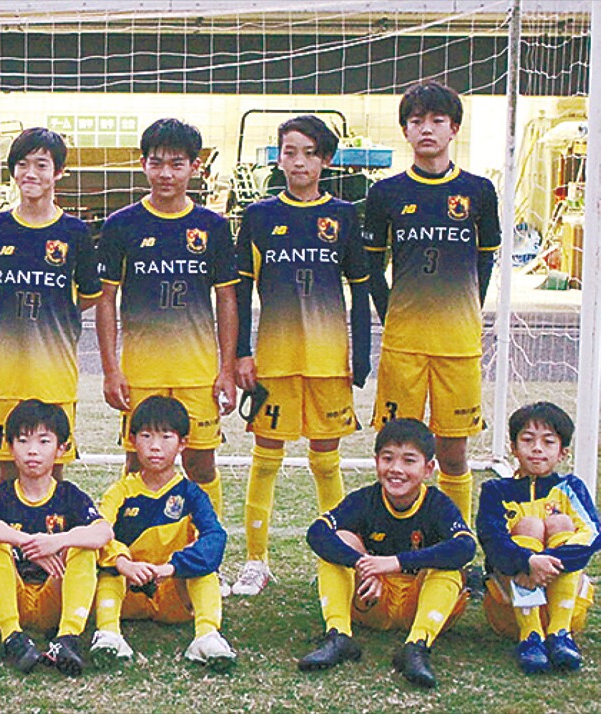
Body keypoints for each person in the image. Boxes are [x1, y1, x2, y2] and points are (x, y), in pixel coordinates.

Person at [230, 115, 372, 597]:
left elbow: (360, 289)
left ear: (325, 160)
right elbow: (241, 290)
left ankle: (336, 558)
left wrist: (360, 355)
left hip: (328, 360)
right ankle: (256, 561)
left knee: (326, 461)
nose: (298, 162)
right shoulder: (259, 215)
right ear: (279, 157)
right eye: (289, 152)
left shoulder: (345, 215)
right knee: (265, 459)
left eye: (309, 153)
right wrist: (242, 353)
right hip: (275, 359)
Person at [363, 81, 501, 524]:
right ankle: (393, 534)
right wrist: (392, 316)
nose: (427, 129)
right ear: (405, 130)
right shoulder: (385, 193)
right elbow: (371, 269)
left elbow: (485, 261)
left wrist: (467, 309)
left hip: (458, 344)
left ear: (453, 128)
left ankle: (456, 539)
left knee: (453, 452)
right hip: (403, 343)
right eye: (417, 120)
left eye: (437, 120)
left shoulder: (479, 191)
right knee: (396, 452)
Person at [96, 118, 237, 526]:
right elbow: (106, 300)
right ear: (142, 164)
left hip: (197, 372)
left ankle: (207, 547)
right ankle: (130, 547)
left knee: (201, 465)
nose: (166, 174)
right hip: (141, 372)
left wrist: (226, 369)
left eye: (177, 164)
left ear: (195, 166)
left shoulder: (212, 227)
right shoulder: (121, 224)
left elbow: (227, 299)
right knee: (137, 464)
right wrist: (111, 369)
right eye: (156, 163)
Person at [298, 418, 474, 689]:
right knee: (340, 541)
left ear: (428, 469)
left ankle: (417, 645)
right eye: (388, 458)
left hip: (420, 604)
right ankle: (338, 635)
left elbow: (466, 547)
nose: (396, 469)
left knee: (449, 565)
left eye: (409, 461)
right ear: (376, 461)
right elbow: (317, 533)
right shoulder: (365, 499)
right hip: (374, 599)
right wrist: (363, 564)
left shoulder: (438, 504)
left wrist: (394, 563)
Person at [0, 127, 101, 481]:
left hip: (54, 374)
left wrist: (58, 316)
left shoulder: (75, 232)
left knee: (52, 473)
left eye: (41, 165)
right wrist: (4, 316)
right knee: (7, 471)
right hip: (7, 373)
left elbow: (91, 293)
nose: (30, 173)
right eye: (22, 164)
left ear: (58, 172)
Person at [0, 400, 113, 677]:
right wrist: (27, 542)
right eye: (23, 441)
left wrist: (57, 542)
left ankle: (68, 638)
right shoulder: (1, 495)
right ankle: (12, 638)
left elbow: (104, 532)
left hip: (54, 597)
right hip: (12, 596)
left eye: (44, 441)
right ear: (10, 447)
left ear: (61, 449)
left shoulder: (69, 495)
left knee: (83, 547)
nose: (32, 450)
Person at [91, 396, 234, 670]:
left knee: (204, 569)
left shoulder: (191, 493)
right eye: (146, 436)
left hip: (173, 593)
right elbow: (98, 532)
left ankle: (207, 636)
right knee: (109, 569)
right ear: (132, 440)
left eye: (166, 437)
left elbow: (215, 538)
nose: (155, 446)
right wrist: (124, 563)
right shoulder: (120, 491)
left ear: (182, 443)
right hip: (129, 591)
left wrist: (171, 568)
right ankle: (108, 634)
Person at [477, 402, 601, 674]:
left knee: (561, 522)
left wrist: (543, 562)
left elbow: (592, 534)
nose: (537, 448)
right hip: (509, 610)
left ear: (563, 452)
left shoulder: (571, 487)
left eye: (548, 441)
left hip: (567, 610)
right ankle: (530, 635)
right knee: (530, 525)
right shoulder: (496, 491)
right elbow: (491, 539)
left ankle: (560, 634)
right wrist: (527, 561)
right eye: (527, 440)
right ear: (513, 447)